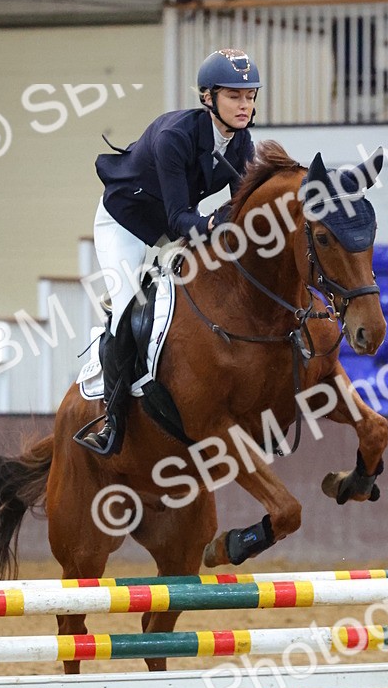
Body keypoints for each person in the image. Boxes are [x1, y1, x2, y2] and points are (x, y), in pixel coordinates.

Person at [77, 48, 261, 456]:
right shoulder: (174, 137)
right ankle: (112, 417)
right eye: (234, 96)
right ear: (207, 98)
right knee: (127, 309)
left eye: (249, 96)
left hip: (169, 225)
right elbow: (181, 217)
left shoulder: (241, 141)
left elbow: (242, 204)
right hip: (126, 223)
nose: (244, 105)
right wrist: (215, 224)